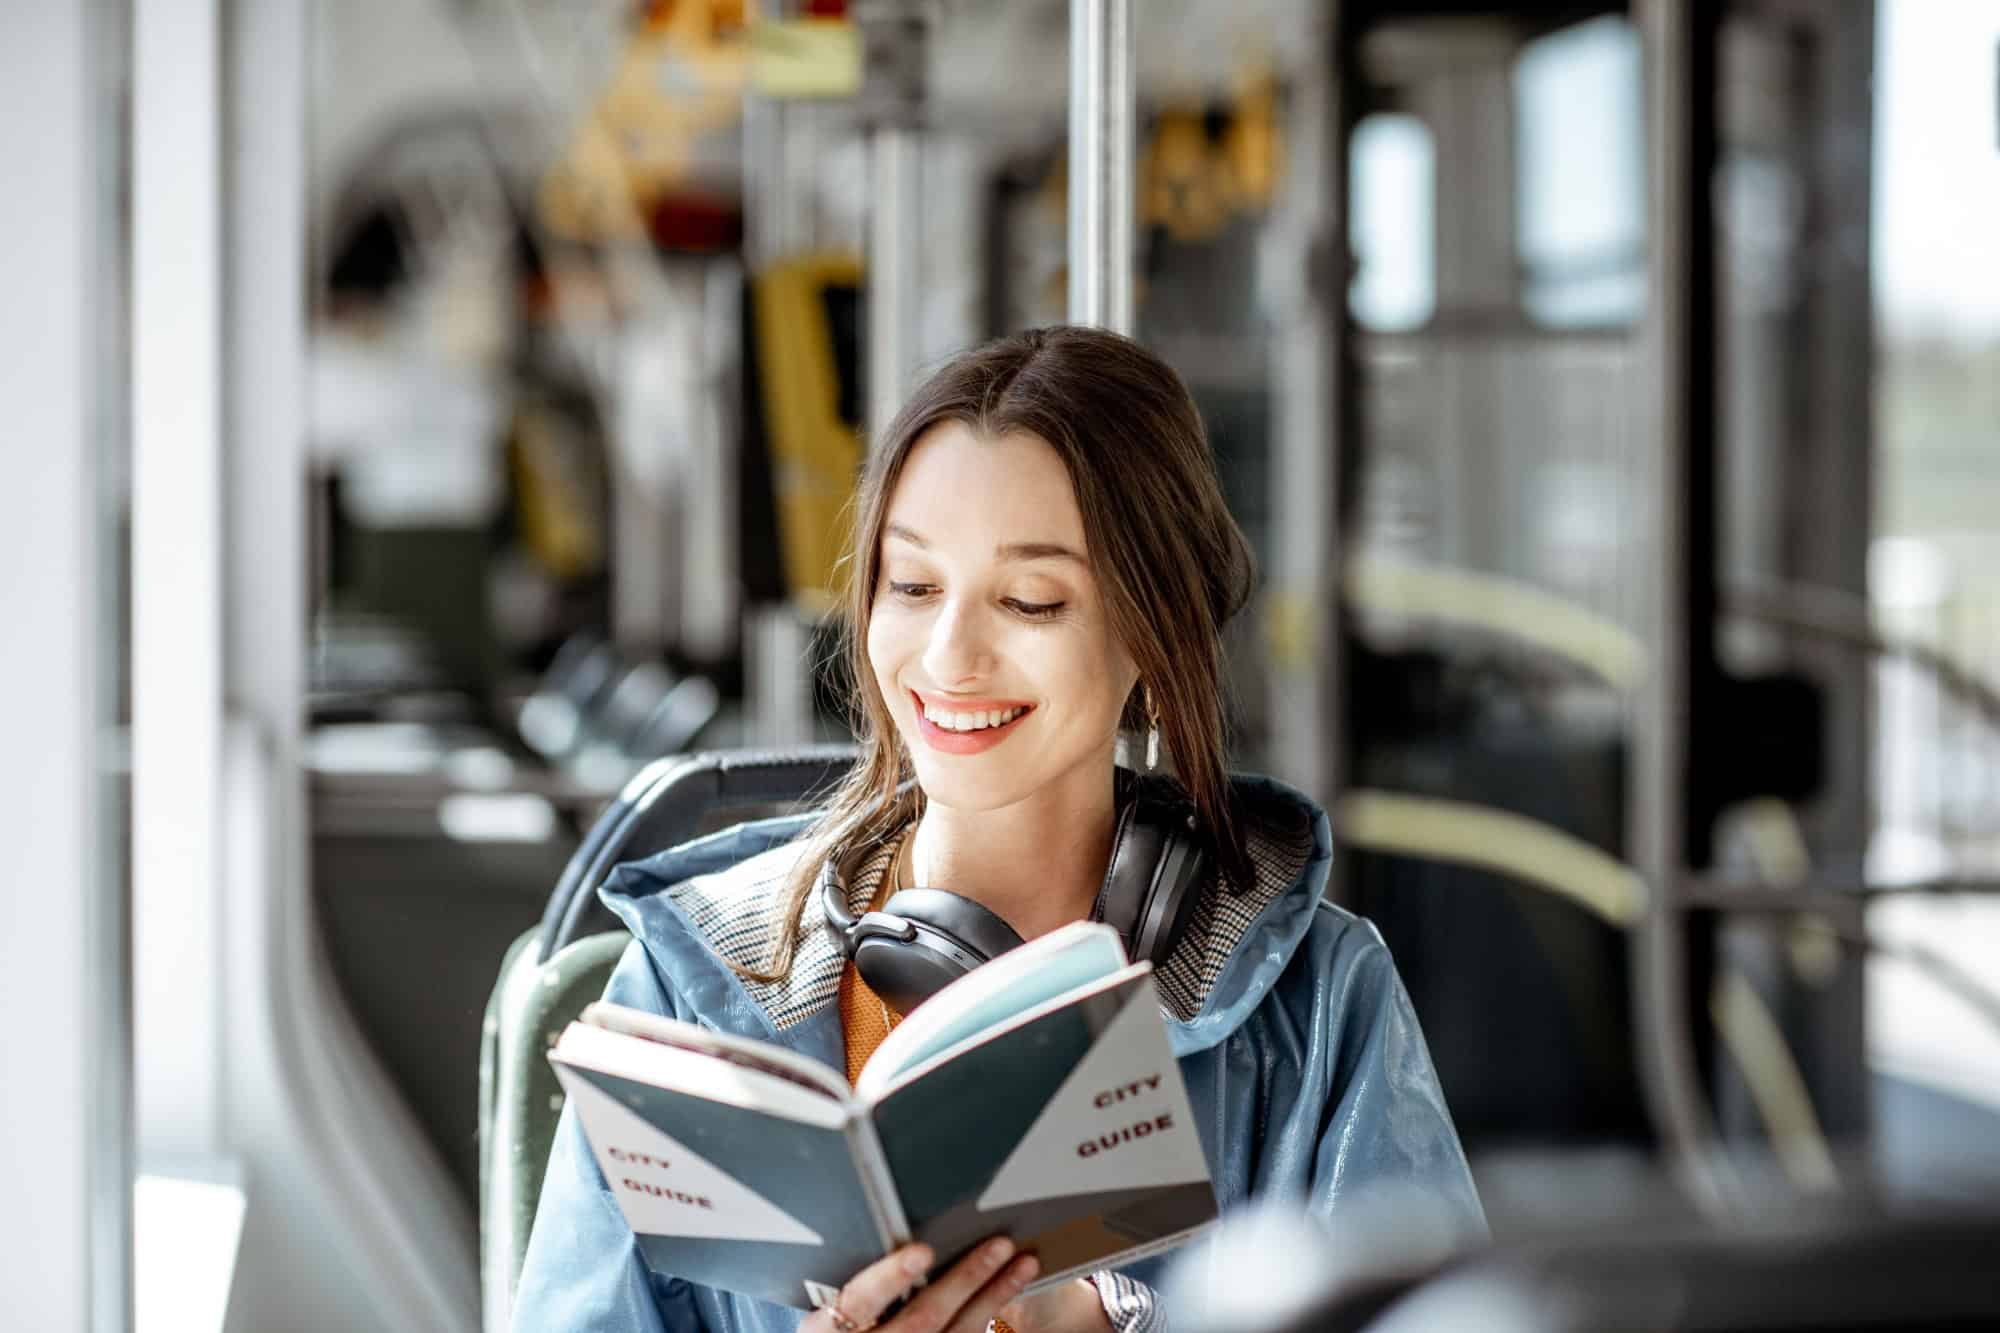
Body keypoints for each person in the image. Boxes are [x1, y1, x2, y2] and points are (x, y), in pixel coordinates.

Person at [511, 326, 1483, 1333]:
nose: (948, 656)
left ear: (1153, 634)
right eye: (913, 585)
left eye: (1029, 599)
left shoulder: (1317, 1006)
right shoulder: (693, 987)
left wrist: (1097, 1324)